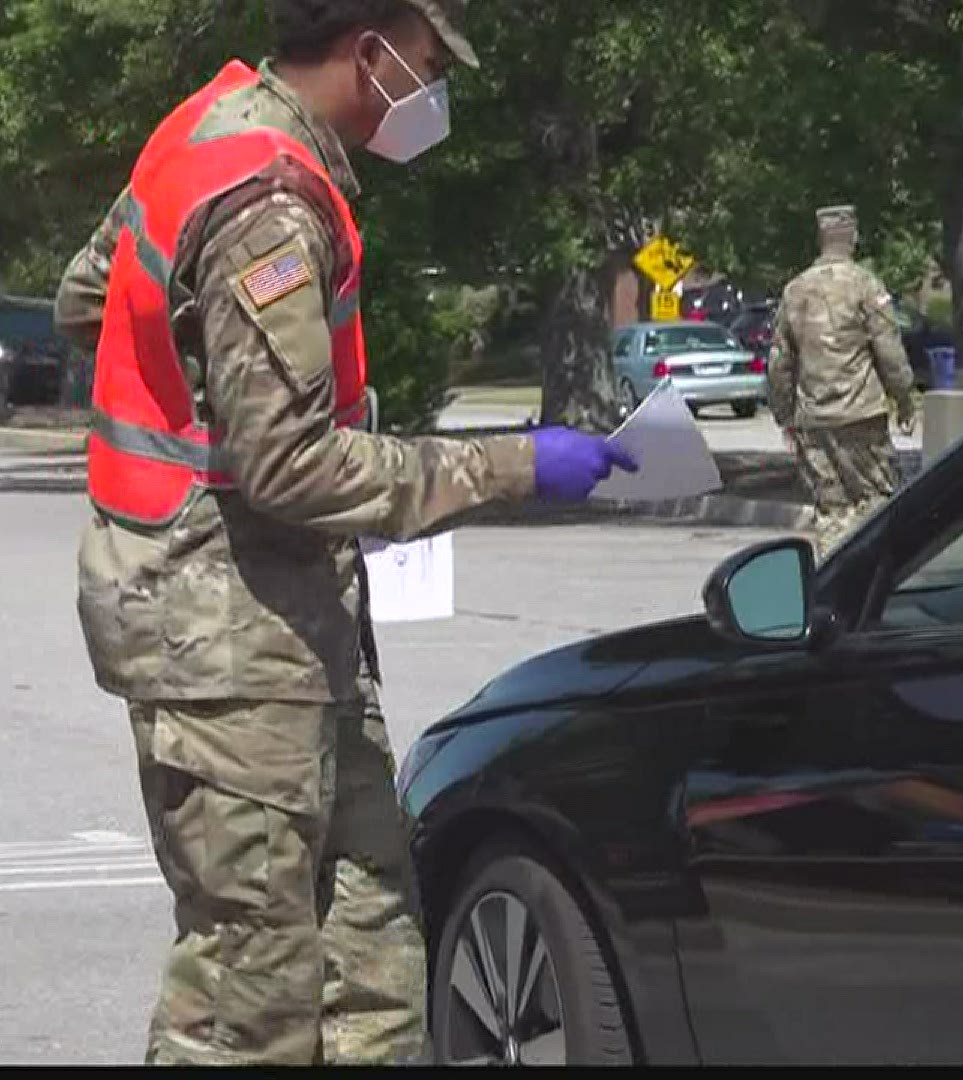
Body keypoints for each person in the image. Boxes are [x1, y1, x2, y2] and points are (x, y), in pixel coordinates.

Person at [53, 0, 635, 1065]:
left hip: (278, 626)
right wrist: (515, 465)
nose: (431, 94)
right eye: (424, 65)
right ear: (370, 54)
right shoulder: (268, 198)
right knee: (253, 993)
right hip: (224, 638)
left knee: (370, 946)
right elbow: (287, 464)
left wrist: (200, 380)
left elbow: (87, 298)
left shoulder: (205, 131)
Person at [767, 204, 917, 555]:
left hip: (814, 420)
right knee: (877, 501)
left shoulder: (795, 291)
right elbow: (889, 353)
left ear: (820, 238)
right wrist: (905, 399)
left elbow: (779, 364)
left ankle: (834, 578)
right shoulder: (865, 285)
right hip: (861, 416)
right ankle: (875, 579)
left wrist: (784, 414)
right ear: (853, 237)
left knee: (832, 510)